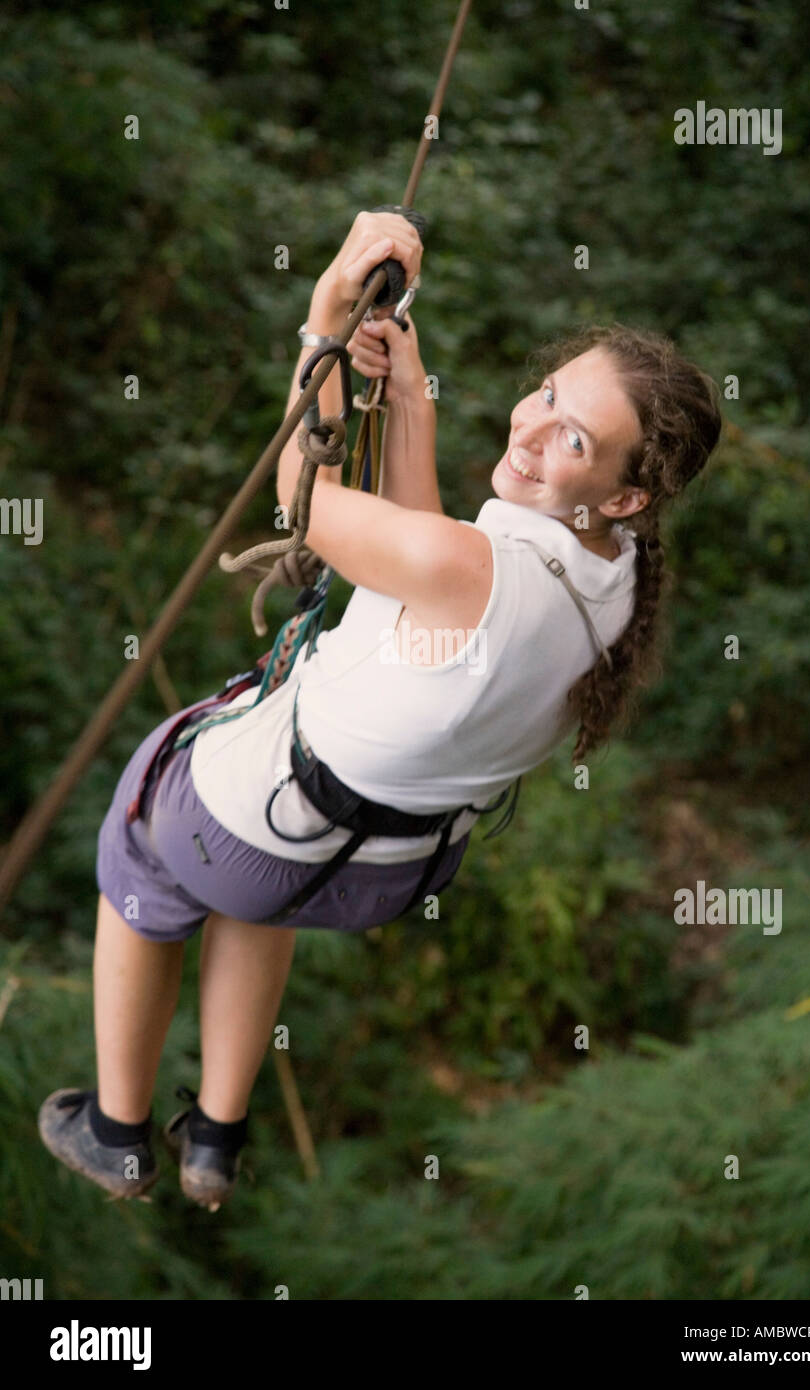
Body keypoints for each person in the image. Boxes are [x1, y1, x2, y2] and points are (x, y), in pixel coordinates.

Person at [37, 211, 722, 1210]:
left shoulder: (472, 567)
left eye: (570, 437)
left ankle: (117, 1134)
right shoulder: (611, 574)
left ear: (621, 494)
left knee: (143, 833)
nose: (528, 430)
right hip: (379, 867)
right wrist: (406, 395)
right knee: (252, 885)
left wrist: (320, 328)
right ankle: (216, 1137)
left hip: (270, 823)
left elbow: (300, 486)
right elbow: (429, 561)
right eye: (542, 395)